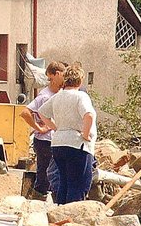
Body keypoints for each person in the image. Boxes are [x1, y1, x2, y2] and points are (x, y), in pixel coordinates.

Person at [38, 65, 97, 204]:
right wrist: (86, 134)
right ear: (80, 81)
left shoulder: (57, 96)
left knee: (64, 183)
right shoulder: (80, 96)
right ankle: (72, 218)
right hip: (77, 144)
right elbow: (88, 115)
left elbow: (42, 112)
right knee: (78, 184)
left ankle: (61, 213)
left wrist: (56, 128)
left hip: (58, 143)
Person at [19, 61, 66, 199]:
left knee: (53, 173)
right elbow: (25, 112)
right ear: (57, 74)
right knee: (45, 174)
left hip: (55, 140)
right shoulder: (45, 96)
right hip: (45, 141)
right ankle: (39, 198)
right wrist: (39, 127)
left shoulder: (62, 93)